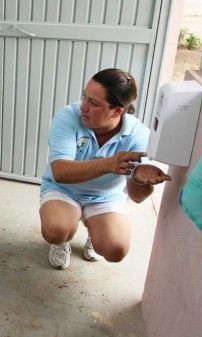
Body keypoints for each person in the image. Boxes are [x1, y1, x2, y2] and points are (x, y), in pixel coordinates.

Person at [39, 68, 171, 270]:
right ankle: (63, 240)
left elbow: (137, 197)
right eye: (84, 97)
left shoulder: (138, 135)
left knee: (115, 250)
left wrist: (138, 178)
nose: (83, 107)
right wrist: (109, 164)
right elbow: (60, 172)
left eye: (93, 103)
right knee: (57, 230)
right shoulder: (68, 117)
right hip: (63, 189)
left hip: (106, 195)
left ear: (117, 111)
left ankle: (96, 230)